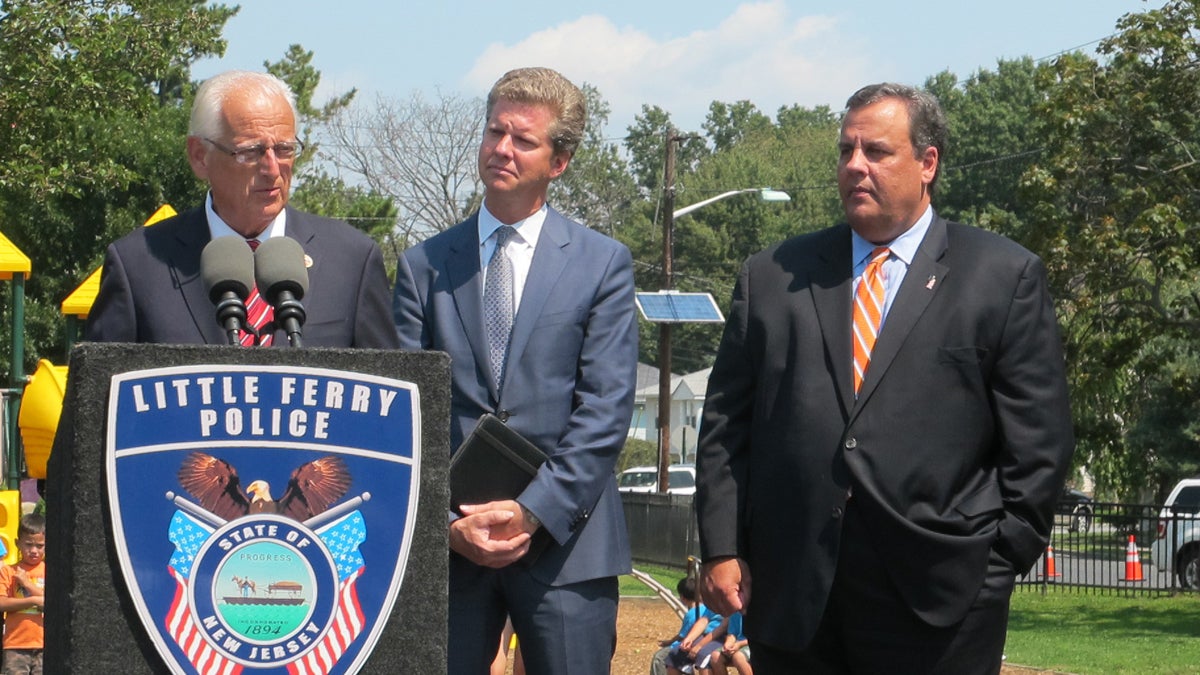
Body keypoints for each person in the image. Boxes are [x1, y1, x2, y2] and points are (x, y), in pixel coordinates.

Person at [694, 82, 1075, 674]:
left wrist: (991, 568)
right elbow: (724, 428)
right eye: (846, 151)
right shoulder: (772, 277)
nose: (854, 167)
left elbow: (1039, 449)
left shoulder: (1001, 277)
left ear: (928, 163)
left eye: (876, 151)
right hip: (795, 603)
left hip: (940, 607)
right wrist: (720, 548)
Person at [392, 67, 638, 674]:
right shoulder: (422, 266)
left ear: (560, 161)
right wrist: (447, 522)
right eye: (495, 131)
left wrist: (532, 511)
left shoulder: (603, 264)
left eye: (523, 139)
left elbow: (605, 410)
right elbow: (403, 412)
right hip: (449, 549)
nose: (502, 148)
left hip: (566, 548)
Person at [86, 70, 398, 348]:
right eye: (251, 152)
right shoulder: (138, 267)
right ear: (199, 156)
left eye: (284, 149)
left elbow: (391, 398)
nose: (272, 169)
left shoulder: (352, 261)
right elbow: (93, 405)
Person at [0, 514, 47, 675]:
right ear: (17, 543)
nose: (34, 551)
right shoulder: (9, 571)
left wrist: (27, 584)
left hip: (43, 644)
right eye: (28, 544)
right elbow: (2, 603)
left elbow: (49, 603)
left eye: (39, 546)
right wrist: (32, 601)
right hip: (16, 645)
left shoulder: (50, 571)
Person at [651, 577, 721, 675]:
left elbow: (682, 636)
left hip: (705, 641)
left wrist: (670, 642)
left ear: (682, 597)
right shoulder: (706, 608)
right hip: (699, 640)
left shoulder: (692, 614)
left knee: (659, 657)